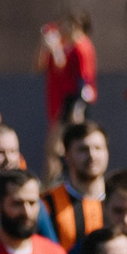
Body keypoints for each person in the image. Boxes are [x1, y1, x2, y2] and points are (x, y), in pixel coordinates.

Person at [41, 122, 109, 252]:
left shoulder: (122, 200)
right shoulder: (47, 204)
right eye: (83, 149)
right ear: (67, 156)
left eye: (98, 148)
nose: (92, 156)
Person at [39, 14, 98, 162]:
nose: (65, 29)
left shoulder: (81, 46)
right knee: (58, 143)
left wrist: (55, 48)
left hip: (76, 98)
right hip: (69, 98)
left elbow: (83, 78)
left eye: (70, 26)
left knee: (70, 140)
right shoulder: (72, 46)